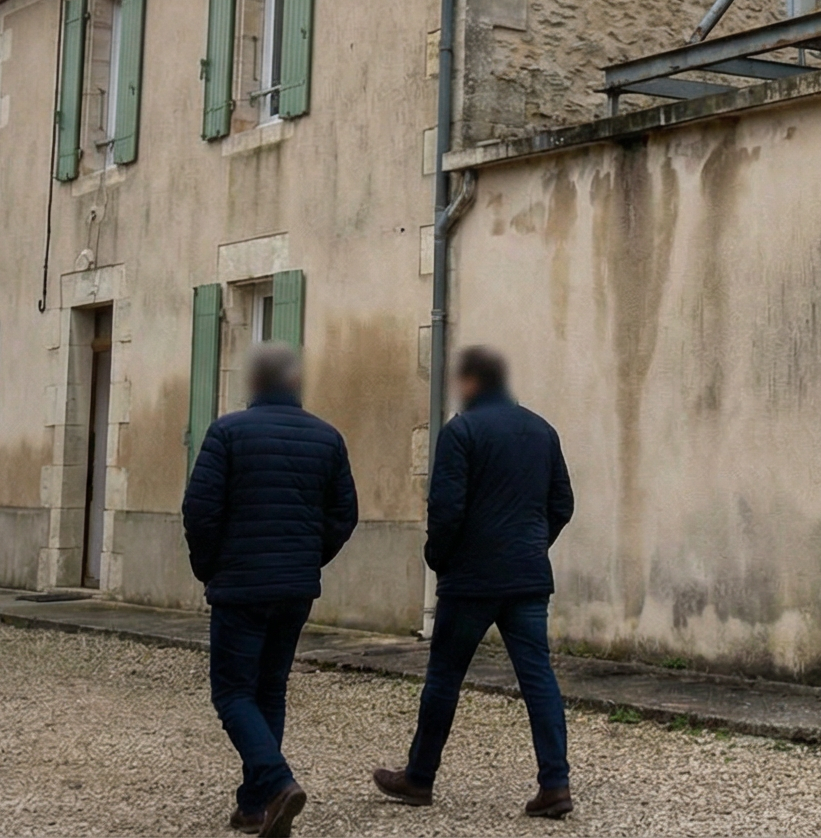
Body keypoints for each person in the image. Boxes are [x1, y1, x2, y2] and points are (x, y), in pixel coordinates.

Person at [374, 346, 576, 818]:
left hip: (470, 579)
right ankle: (556, 784)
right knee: (538, 678)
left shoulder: (461, 432)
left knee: (445, 677)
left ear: (469, 383)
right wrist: (531, 544)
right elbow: (562, 503)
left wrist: (438, 558)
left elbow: (446, 509)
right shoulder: (542, 431)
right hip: (526, 577)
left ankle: (419, 778)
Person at [183, 342, 359, 838]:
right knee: (269, 690)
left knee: (233, 693)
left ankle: (278, 784)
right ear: (295, 382)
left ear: (255, 383)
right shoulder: (328, 438)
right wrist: (307, 558)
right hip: (295, 588)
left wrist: (208, 568)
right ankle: (254, 805)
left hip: (241, 586)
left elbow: (200, 511)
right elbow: (344, 515)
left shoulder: (227, 433)